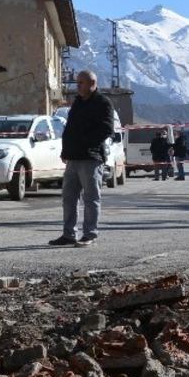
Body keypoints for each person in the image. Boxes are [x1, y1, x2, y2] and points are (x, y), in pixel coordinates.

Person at [52, 70, 114, 247]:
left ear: (92, 84)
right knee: (69, 198)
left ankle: (90, 234)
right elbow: (70, 129)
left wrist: (86, 144)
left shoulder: (103, 103)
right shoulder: (78, 103)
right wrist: (66, 151)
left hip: (90, 158)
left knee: (90, 198)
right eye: (77, 82)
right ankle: (68, 234)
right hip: (73, 158)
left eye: (81, 83)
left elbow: (106, 129)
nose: (77, 86)